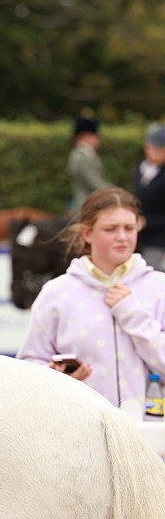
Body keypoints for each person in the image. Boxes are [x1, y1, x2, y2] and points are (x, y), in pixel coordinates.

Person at [18, 186, 165, 411]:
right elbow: (28, 367)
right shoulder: (56, 293)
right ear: (87, 233)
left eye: (129, 228)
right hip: (80, 433)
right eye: (110, 229)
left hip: (150, 436)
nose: (122, 237)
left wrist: (134, 316)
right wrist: (55, 377)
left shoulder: (159, 287)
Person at [132, 122, 165, 271]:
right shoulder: (140, 167)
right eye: (152, 148)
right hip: (136, 234)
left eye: (160, 150)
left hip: (158, 237)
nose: (155, 153)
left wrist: (148, 221)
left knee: (149, 271)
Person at [66, 116, 112, 217]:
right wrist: (114, 192)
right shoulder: (82, 157)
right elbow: (94, 182)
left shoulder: (85, 154)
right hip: (85, 205)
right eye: (95, 136)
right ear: (85, 136)